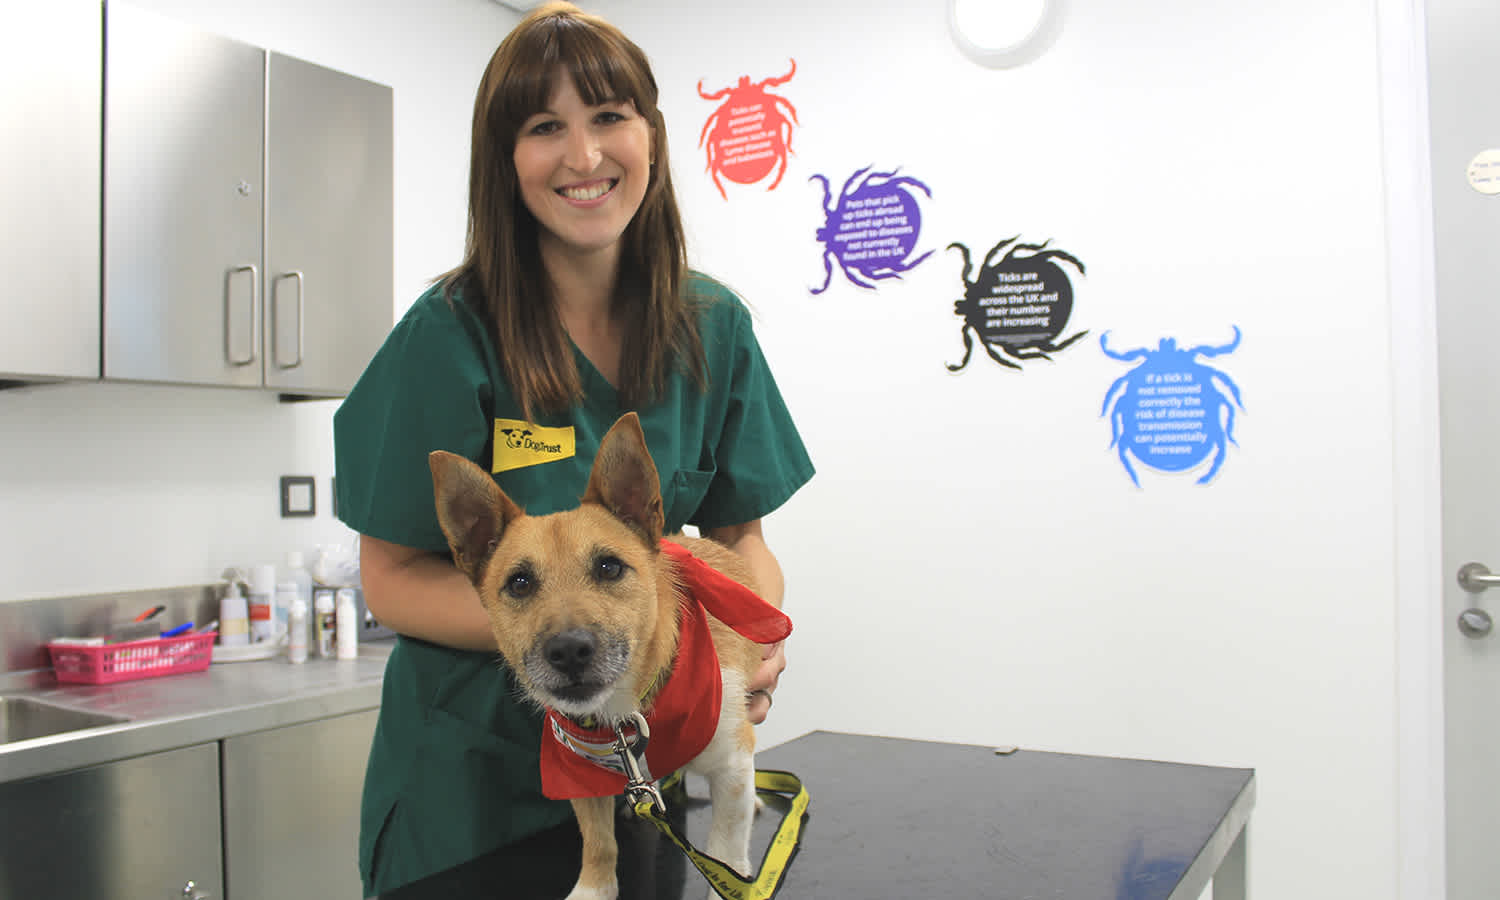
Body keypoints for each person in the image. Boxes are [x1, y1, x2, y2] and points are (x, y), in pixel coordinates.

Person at [331, 3, 815, 897]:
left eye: (608, 117)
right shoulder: (446, 337)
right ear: (504, 161)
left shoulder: (713, 327)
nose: (585, 157)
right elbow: (392, 575)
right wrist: (571, 639)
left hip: (645, 780)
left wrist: (746, 646)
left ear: (652, 137)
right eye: (544, 126)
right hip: (471, 794)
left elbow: (743, 540)